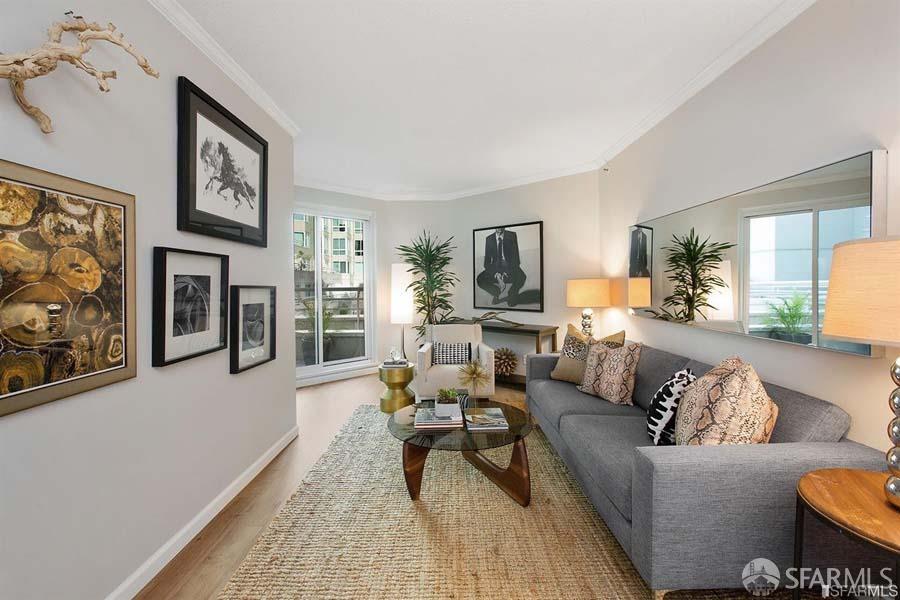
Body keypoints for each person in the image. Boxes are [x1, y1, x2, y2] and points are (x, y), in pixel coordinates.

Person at [476, 227, 527, 306]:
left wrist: (506, 272)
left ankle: (511, 293)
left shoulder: (511, 235)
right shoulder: (489, 239)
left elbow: (516, 259)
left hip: (509, 266)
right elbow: (487, 262)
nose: (499, 228)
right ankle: (497, 291)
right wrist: (496, 274)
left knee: (522, 277)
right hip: (495, 268)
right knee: (480, 279)